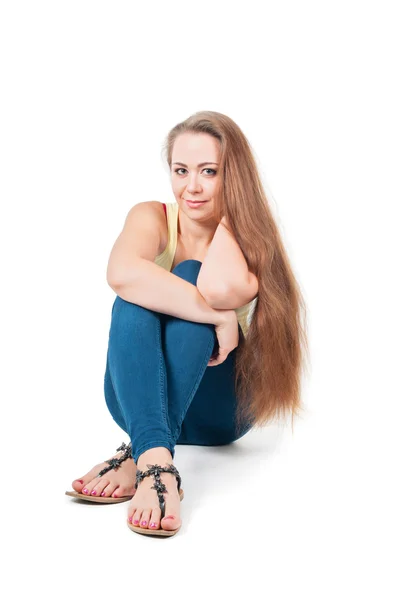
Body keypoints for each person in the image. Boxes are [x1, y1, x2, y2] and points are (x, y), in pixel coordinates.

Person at [65, 110, 309, 537]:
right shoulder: (152, 216)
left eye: (209, 172)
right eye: (181, 170)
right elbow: (121, 272)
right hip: (134, 402)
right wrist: (219, 319)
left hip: (222, 411)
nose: (191, 187)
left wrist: (232, 218)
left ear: (234, 176)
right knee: (133, 295)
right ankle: (155, 457)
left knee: (191, 272)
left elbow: (214, 286)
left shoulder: (250, 240)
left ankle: (142, 457)